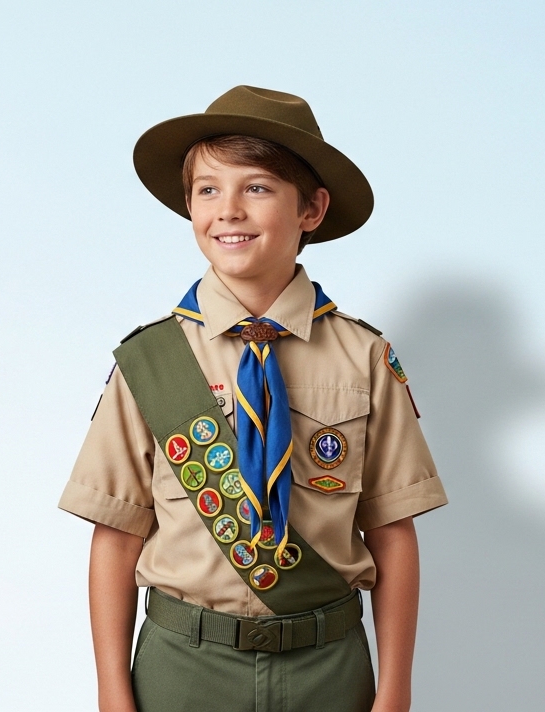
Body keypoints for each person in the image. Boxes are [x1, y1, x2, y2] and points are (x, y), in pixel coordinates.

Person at [58, 86, 447, 712]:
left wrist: (395, 690)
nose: (228, 210)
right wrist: (112, 692)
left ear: (312, 209)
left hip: (329, 663)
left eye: (257, 188)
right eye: (208, 189)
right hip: (182, 662)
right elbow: (116, 535)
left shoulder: (364, 357)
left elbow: (392, 533)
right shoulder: (150, 362)